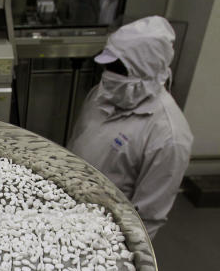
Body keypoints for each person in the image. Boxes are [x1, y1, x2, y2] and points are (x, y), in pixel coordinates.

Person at [67, 16, 193, 238]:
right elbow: (77, 140)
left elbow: (148, 216)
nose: (108, 77)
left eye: (118, 69)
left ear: (144, 72)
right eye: (108, 67)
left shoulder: (168, 137)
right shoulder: (102, 93)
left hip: (105, 231)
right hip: (66, 208)